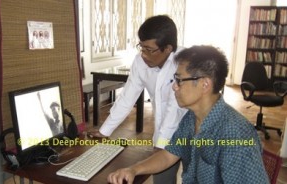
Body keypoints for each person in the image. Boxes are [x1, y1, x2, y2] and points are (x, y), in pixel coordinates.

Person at [107, 45, 269, 184]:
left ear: (205, 84)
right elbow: (170, 154)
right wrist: (133, 169)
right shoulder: (191, 117)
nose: (174, 87)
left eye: (179, 80)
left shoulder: (235, 135)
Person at [89, 15, 187, 184]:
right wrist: (104, 131)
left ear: (168, 48)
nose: (143, 54)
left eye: (149, 49)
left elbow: (174, 109)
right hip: (163, 131)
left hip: (190, 130)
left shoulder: (184, 63)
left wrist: (161, 144)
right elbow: (127, 97)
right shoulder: (140, 62)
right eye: (141, 47)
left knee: (193, 176)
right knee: (163, 180)